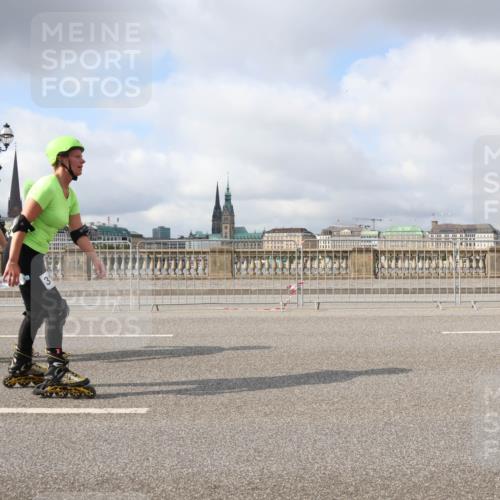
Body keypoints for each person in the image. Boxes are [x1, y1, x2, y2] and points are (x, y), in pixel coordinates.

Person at [2, 136, 106, 398]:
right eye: (77, 156)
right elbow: (20, 225)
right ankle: (56, 368)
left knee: (37, 311)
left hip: (34, 256)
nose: (83, 161)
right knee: (55, 308)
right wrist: (13, 261)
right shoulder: (47, 186)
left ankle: (21, 363)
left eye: (82, 156)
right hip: (22, 253)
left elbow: (77, 232)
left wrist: (94, 257)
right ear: (62, 159)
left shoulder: (69, 194)